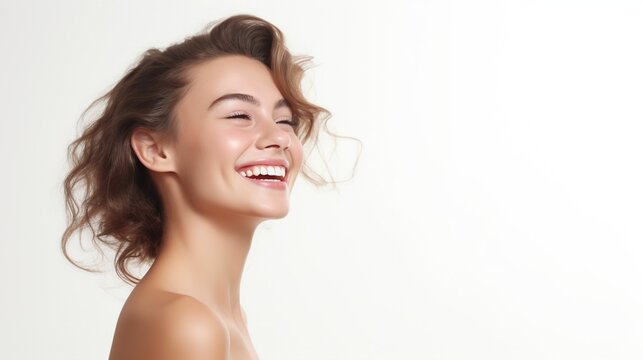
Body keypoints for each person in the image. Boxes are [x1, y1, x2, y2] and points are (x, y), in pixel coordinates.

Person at [61, 14, 330, 360]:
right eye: (239, 116)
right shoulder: (186, 323)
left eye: (284, 120)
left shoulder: (219, 318)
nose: (280, 137)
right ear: (155, 150)